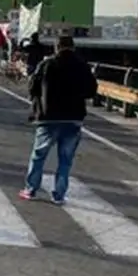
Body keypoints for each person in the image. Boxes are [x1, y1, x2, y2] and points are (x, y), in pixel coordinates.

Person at [19, 35, 98, 205]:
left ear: (56, 47)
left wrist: (39, 102)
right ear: (73, 47)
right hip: (73, 118)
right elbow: (92, 90)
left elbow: (32, 86)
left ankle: (31, 189)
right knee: (65, 160)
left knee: (39, 156)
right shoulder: (82, 66)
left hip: (49, 117)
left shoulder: (46, 64)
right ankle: (59, 194)